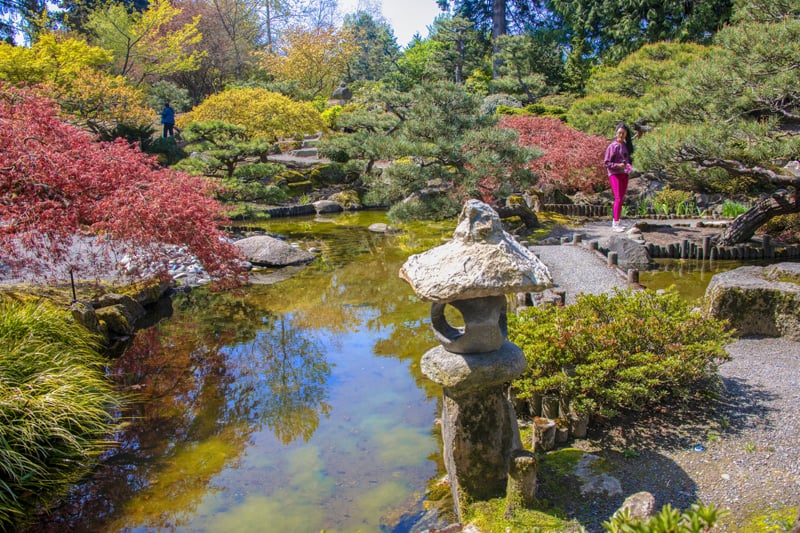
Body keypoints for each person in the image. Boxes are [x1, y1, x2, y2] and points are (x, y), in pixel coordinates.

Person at [604, 123, 634, 232]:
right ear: (616, 133)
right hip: (614, 174)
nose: (621, 135)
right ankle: (615, 223)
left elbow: (629, 160)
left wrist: (628, 166)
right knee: (618, 197)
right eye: (619, 132)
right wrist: (618, 166)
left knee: (621, 198)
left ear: (626, 134)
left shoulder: (627, 146)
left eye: (623, 133)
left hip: (624, 174)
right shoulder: (612, 146)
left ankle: (617, 221)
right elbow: (607, 163)